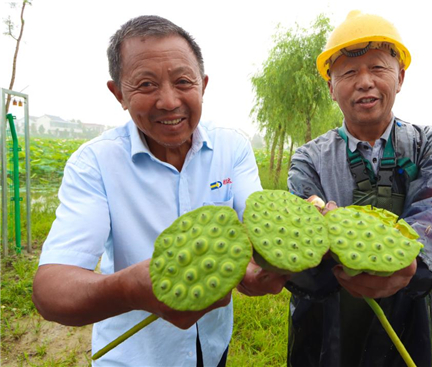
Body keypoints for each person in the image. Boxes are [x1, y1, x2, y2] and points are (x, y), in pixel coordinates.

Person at [32, 15, 286, 367]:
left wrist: (257, 270)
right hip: (136, 356)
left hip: (211, 348)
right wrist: (131, 288)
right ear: (119, 93)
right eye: (146, 85)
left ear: (203, 85)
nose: (169, 101)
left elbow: (260, 227)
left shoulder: (232, 148)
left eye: (183, 81)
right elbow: (51, 290)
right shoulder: (95, 163)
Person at [286, 11, 432, 367]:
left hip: (407, 310)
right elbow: (297, 222)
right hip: (326, 314)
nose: (365, 82)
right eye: (349, 72)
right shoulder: (309, 158)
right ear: (331, 87)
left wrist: (410, 261)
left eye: (377, 68)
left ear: (400, 77)